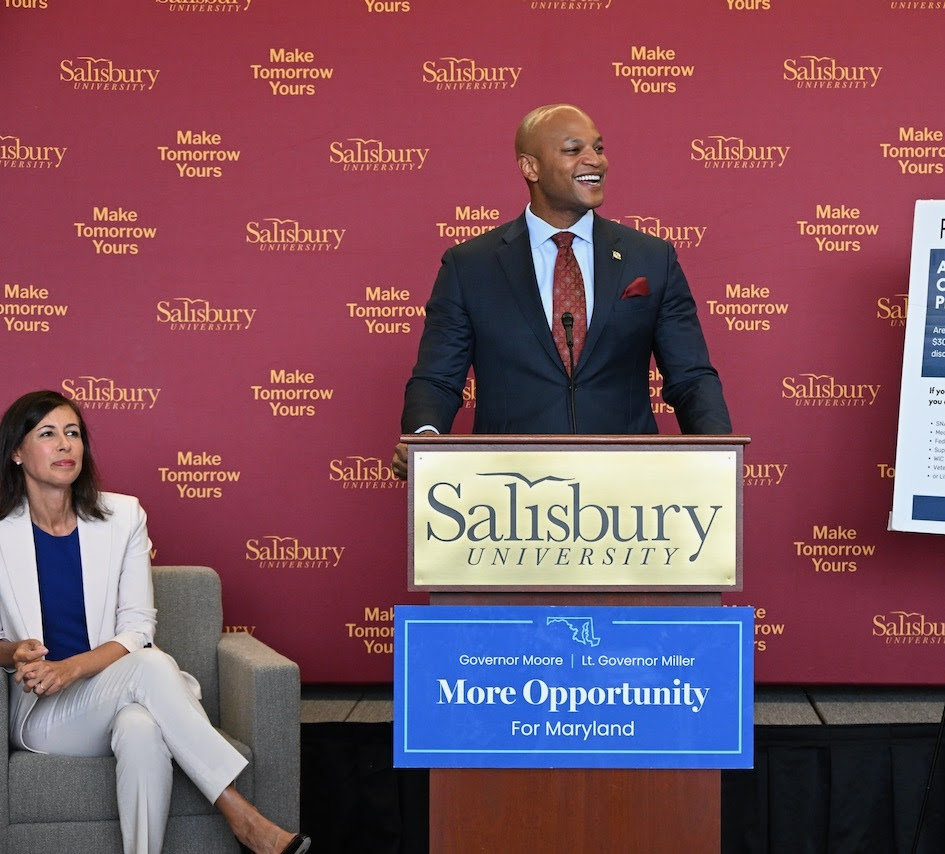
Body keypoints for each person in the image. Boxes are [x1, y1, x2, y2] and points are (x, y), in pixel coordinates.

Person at [0, 390, 309, 854]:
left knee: (142, 727)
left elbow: (138, 628)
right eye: (47, 434)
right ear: (17, 453)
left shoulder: (123, 516)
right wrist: (14, 651)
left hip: (110, 686)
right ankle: (241, 815)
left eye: (73, 433)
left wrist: (72, 667)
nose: (65, 445)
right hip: (46, 713)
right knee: (151, 666)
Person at [393, 103, 731, 478]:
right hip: (505, 493)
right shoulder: (470, 265)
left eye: (599, 149)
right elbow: (437, 379)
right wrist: (424, 442)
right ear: (530, 167)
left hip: (629, 492)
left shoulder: (651, 259)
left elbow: (690, 377)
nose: (595, 161)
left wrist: (717, 453)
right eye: (574, 150)